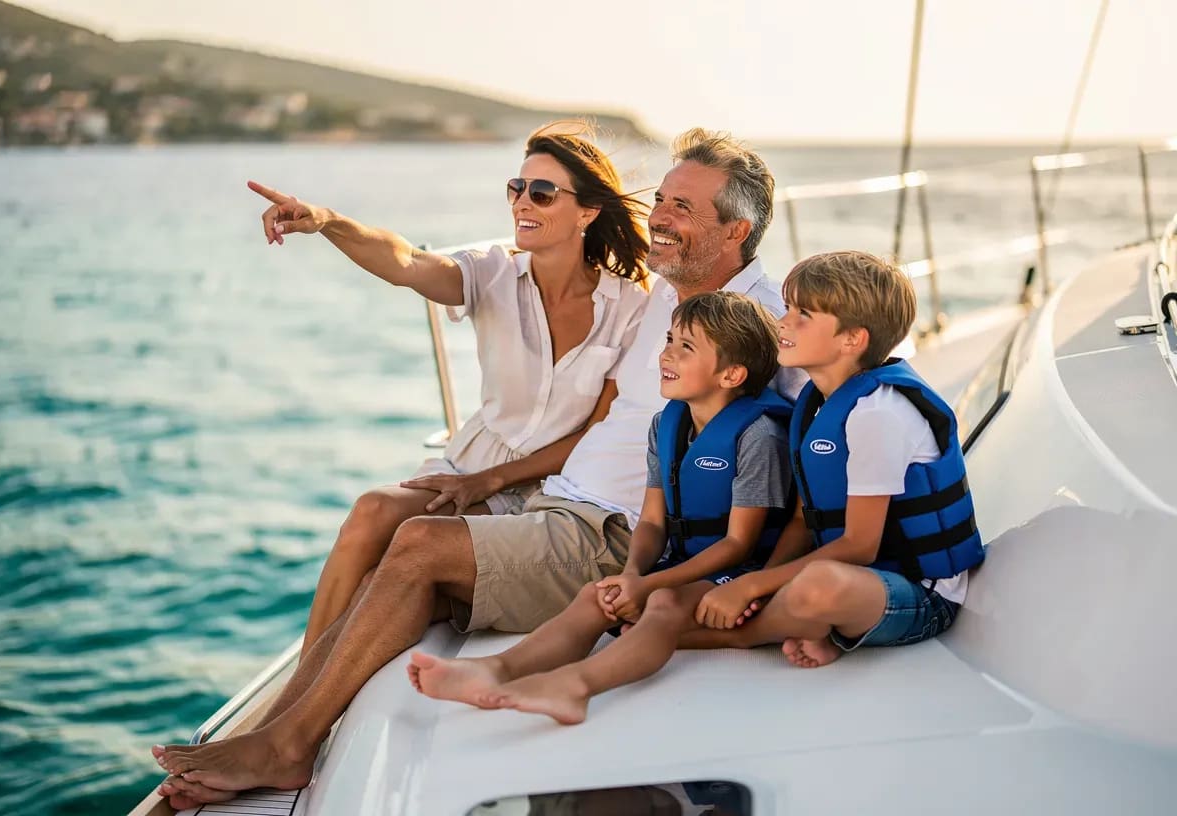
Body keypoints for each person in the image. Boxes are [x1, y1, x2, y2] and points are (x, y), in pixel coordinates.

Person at [153, 128, 798, 808]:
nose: (659, 217)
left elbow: (802, 466)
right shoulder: (667, 299)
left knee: (419, 547)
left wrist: (770, 589)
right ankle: (282, 725)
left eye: (682, 208)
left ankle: (287, 746)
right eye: (660, 199)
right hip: (560, 502)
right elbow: (606, 416)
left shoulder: (765, 326)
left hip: (613, 532)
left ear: (736, 230)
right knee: (395, 557)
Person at [250, 123, 652, 655]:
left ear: (588, 211)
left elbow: (598, 432)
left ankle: (305, 703)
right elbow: (407, 263)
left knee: (390, 567)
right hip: (471, 467)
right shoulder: (492, 273)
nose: (521, 203)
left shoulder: (628, 308)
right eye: (517, 187)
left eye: (542, 193)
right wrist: (327, 222)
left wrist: (493, 481)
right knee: (372, 511)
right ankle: (300, 685)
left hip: (549, 485)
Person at [407, 291, 811, 725]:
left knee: (661, 607)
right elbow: (654, 520)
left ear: (731, 374)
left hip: (744, 572)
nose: (666, 354)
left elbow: (737, 544)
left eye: (686, 347)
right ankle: (492, 670)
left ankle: (575, 688)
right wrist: (633, 576)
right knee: (595, 596)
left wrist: (650, 588)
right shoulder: (666, 424)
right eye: (669, 339)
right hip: (688, 563)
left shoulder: (758, 437)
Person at [659, 250, 985, 669]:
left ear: (852, 339)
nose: (783, 322)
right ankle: (810, 626)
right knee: (794, 582)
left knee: (820, 584)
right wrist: (757, 589)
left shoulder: (877, 414)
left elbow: (860, 547)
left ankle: (746, 636)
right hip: (863, 579)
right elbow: (801, 521)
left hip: (921, 595)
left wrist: (752, 586)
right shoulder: (817, 405)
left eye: (803, 315)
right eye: (789, 308)